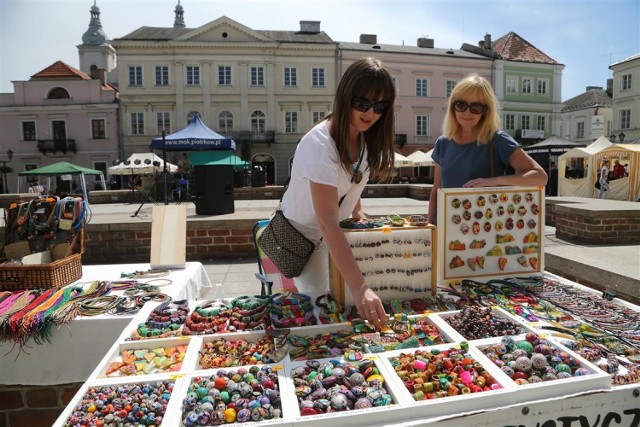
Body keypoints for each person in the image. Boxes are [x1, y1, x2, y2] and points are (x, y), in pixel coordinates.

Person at [280, 57, 395, 330]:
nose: (370, 113)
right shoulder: (321, 145)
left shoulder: (363, 138)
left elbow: (351, 182)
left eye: (379, 106)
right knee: (321, 312)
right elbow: (326, 221)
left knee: (341, 308)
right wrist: (360, 287)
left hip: (333, 235)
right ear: (346, 96)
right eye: (362, 103)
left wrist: (358, 212)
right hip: (301, 240)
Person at [428, 73, 547, 224]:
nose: (467, 112)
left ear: (485, 111)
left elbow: (540, 177)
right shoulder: (443, 143)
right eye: (461, 105)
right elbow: (436, 190)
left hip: (484, 229)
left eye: (476, 107)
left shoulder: (497, 140)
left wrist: (494, 181)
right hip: (446, 228)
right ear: (453, 106)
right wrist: (430, 227)